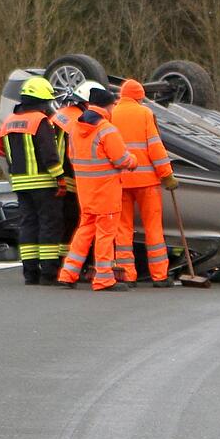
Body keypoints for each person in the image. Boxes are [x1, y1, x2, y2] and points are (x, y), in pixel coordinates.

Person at [58, 87, 138, 291]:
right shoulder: (106, 129)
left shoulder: (76, 128)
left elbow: (72, 157)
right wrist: (133, 160)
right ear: (107, 106)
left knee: (84, 231)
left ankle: (68, 273)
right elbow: (121, 159)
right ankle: (103, 278)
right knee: (105, 235)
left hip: (86, 191)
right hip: (106, 193)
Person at [0, 76, 65, 285]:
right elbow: (49, 154)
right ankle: (49, 274)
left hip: (20, 182)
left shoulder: (7, 122)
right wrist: (59, 177)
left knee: (28, 225)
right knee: (49, 225)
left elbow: (3, 152)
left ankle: (30, 273)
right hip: (43, 182)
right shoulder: (40, 121)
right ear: (42, 100)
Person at [112, 79, 179, 288]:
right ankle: (159, 275)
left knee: (122, 229)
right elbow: (155, 147)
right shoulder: (145, 114)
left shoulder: (111, 113)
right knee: (153, 228)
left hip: (120, 180)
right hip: (147, 181)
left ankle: (126, 275)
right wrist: (166, 175)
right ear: (139, 96)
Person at [50, 82, 98, 259]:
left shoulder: (62, 114)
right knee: (71, 221)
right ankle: (66, 261)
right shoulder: (79, 120)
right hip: (67, 177)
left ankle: (58, 263)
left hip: (53, 175)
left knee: (58, 222)